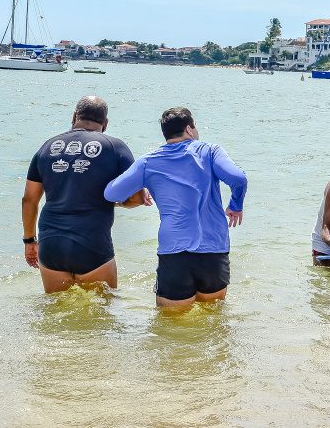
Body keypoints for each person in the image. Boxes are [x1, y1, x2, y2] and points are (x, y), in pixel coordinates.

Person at [104, 107, 247, 308]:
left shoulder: (148, 162)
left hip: (174, 253)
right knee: (212, 321)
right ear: (189, 129)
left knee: (170, 328)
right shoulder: (210, 151)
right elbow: (238, 178)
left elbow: (111, 194)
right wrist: (235, 205)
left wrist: (141, 188)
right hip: (213, 251)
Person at [21, 96, 148, 293]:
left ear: (74, 116)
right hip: (92, 245)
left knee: (56, 314)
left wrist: (29, 241)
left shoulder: (47, 147)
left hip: (51, 244)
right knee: (102, 317)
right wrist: (114, 203)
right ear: (105, 123)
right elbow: (137, 198)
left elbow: (29, 198)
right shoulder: (115, 147)